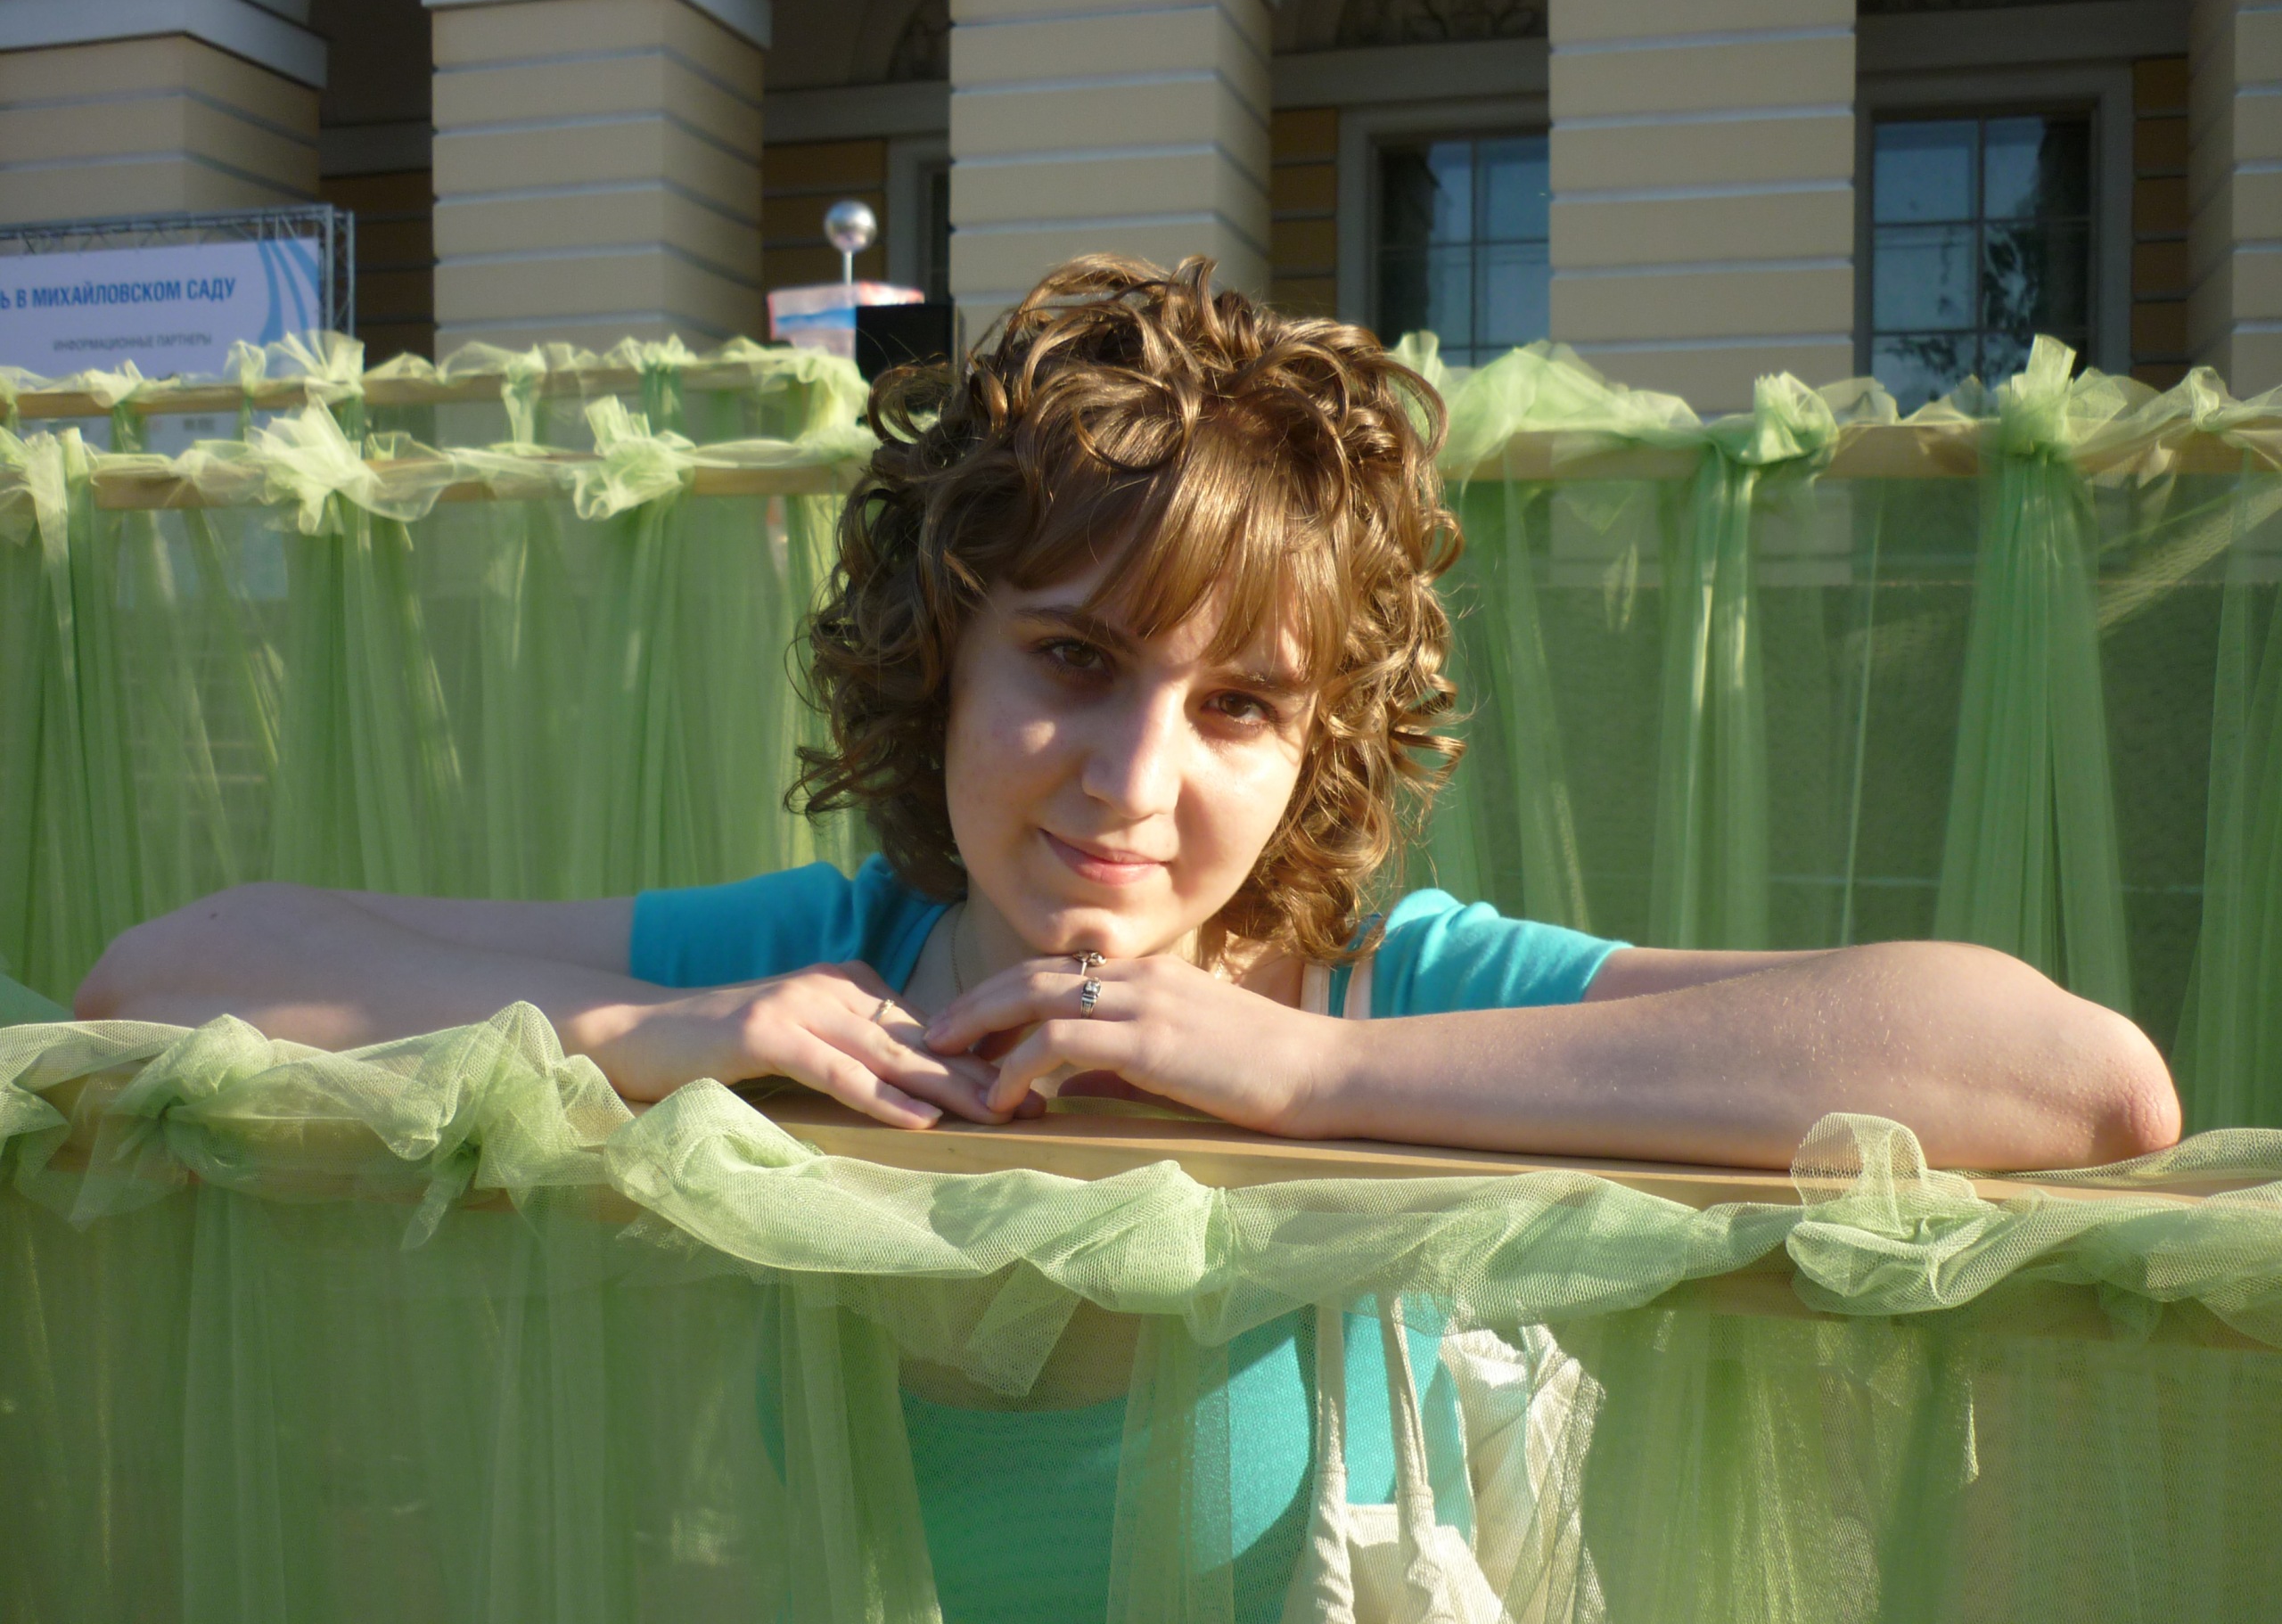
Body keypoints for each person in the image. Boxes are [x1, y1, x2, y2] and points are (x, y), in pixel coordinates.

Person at [74, 256, 2182, 1620]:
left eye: (1236, 704)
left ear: (1313, 746)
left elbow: (2072, 1080)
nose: (1133, 780)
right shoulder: (837, 951)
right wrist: (662, 1030)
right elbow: (173, 974)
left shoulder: (1382, 984)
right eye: (1074, 660)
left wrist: (1313, 1077)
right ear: (940, 655)